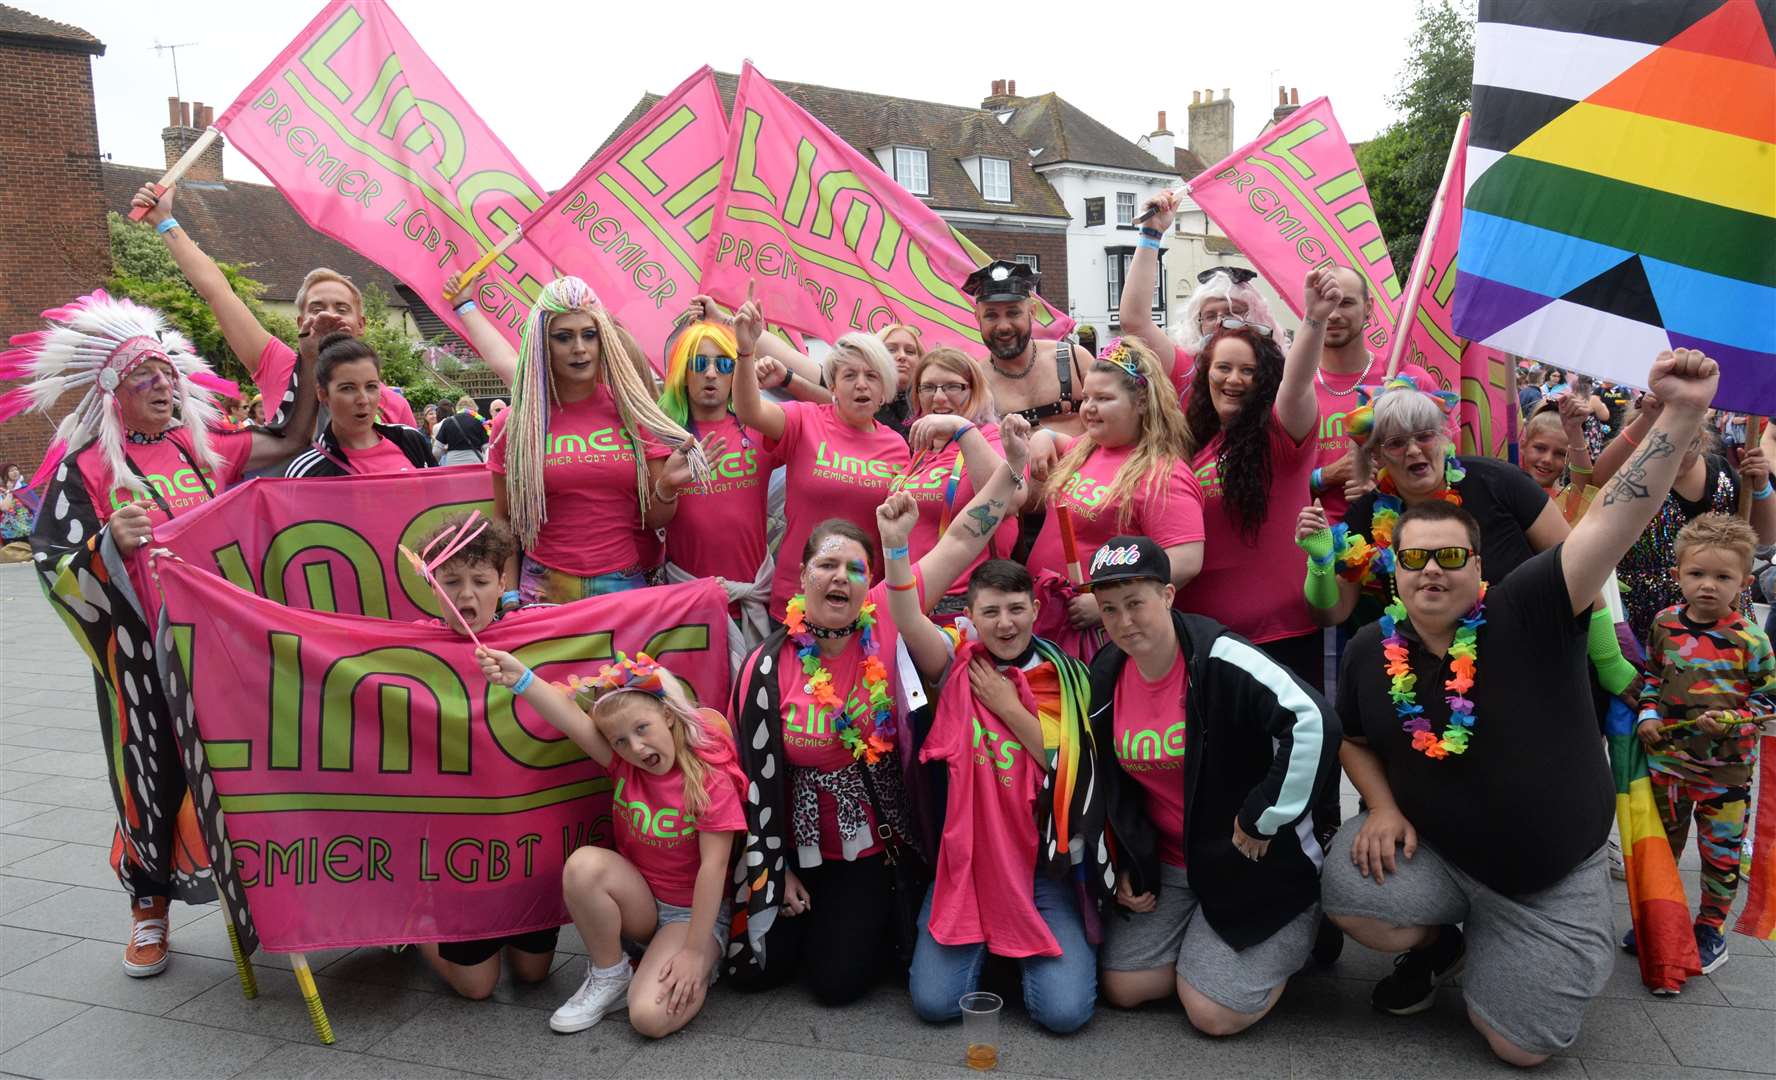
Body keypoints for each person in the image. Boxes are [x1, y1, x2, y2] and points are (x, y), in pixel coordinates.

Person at [1321, 347, 1722, 1066]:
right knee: (1351, 894)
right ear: (1394, 573)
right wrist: (1380, 806)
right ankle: (1451, 931)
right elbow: (1351, 737)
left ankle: (1543, 929)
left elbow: (1611, 521)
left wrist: (1682, 413)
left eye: (1451, 558)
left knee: (1521, 1046)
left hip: (1549, 864)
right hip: (1446, 856)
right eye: (1413, 562)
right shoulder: (1369, 652)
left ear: (1481, 566)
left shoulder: (1529, 607)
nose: (1432, 573)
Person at [9, 291, 317, 976]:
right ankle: (149, 908)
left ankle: (268, 898)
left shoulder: (201, 447)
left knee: (243, 773)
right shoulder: (84, 466)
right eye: (145, 378)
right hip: (143, 655)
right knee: (155, 775)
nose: (163, 387)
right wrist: (105, 544)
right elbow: (52, 561)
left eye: (167, 375)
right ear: (112, 390)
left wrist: (313, 349)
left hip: (221, 647)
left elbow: (292, 439)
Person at [722, 417, 1031, 1003]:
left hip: (870, 844)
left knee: (836, 986)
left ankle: (874, 913)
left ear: (871, 582)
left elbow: (966, 535)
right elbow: (751, 782)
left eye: (856, 568)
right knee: (759, 972)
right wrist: (775, 865)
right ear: (803, 577)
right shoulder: (765, 665)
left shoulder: (891, 615)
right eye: (828, 566)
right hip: (791, 843)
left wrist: (1011, 470)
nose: (841, 577)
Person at [1089, 535, 1340, 1036]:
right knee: (1124, 986)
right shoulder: (1106, 670)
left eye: (1136, 603)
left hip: (1252, 859)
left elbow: (1313, 721)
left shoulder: (1220, 656)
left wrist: (1264, 814)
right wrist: (1123, 863)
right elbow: (1109, 784)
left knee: (1213, 1014)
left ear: (1167, 595)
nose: (1124, 622)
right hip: (1175, 861)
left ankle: (1308, 926)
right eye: (1109, 609)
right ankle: (1204, 946)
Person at [886, 553, 1112, 1034]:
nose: (1004, 623)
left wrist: (1008, 708)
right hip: (967, 864)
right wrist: (896, 546)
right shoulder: (953, 668)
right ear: (970, 617)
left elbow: (1070, 767)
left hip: (1041, 870)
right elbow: (904, 615)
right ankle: (995, 942)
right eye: (990, 612)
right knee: (935, 1004)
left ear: (1034, 608)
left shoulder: (1070, 677)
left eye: (1015, 609)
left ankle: (1008, 945)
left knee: (1065, 1014)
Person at [476, 649, 749, 1038]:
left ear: (667, 716)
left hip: (690, 916)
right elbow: (569, 719)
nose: (635, 748)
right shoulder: (623, 766)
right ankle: (610, 974)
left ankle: (701, 962)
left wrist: (692, 951)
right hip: (639, 902)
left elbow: (714, 868)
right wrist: (520, 677)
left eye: (642, 729)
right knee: (584, 864)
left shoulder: (709, 779)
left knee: (649, 1018)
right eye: (620, 740)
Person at [381, 516, 558, 998]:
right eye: (451, 581)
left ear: (503, 582)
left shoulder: (535, 636)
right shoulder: (407, 648)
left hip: (525, 846)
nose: (467, 596)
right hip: (456, 848)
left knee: (533, 974)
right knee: (478, 986)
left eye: (480, 582)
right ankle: (418, 919)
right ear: (430, 584)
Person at [454, 276, 713, 603]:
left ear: (602, 339)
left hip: (622, 584)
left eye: (588, 335)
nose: (579, 348)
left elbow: (655, 519)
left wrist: (666, 489)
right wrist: (509, 596)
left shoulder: (633, 412)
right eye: (564, 337)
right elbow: (505, 520)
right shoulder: (516, 423)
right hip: (543, 588)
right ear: (542, 344)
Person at [1306, 374, 1569, 632]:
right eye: (1396, 443)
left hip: (1527, 644)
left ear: (1442, 436)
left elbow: (1572, 562)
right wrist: (1320, 563)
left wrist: (1608, 662)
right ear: (1377, 454)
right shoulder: (1366, 515)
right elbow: (1332, 613)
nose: (1413, 450)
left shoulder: (1499, 480)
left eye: (1423, 436)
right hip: (1429, 667)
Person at [1630, 513, 1774, 978]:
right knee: (1663, 848)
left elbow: (1768, 701)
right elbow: (1652, 676)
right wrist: (1648, 713)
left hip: (1725, 774)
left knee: (1721, 855)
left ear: (1744, 582)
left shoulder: (1751, 639)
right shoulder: (1664, 624)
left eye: (1722, 577)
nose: (1708, 586)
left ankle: (1710, 928)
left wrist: (1732, 720)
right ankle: (1662, 919)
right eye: (1697, 574)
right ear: (1677, 575)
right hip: (1667, 766)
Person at [1171, 270, 1325, 687]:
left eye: (1248, 371)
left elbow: (1297, 383)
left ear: (1265, 380)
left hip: (1279, 640)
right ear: (1206, 373)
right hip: (1205, 640)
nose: (1233, 380)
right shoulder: (1195, 442)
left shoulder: (1280, 437)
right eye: (1223, 368)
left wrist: (1314, 320)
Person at [728, 282, 910, 622]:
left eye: (872, 376)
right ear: (833, 383)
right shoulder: (804, 420)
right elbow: (749, 412)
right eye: (849, 375)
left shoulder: (898, 446)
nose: (860, 385)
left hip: (864, 601)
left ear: (884, 390)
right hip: (797, 599)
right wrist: (745, 350)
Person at [132, 182, 360, 432]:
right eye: (317, 308)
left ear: (361, 323)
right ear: (300, 322)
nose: (328, 315)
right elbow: (218, 293)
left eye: (341, 308)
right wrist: (164, 220)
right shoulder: (279, 365)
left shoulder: (387, 400)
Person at [1035, 338, 1204, 628]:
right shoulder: (1088, 447)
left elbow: (1186, 561)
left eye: (1103, 399)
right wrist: (1043, 437)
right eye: (1086, 397)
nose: (1088, 408)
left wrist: (1109, 603)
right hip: (1049, 619)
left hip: (1098, 632)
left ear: (1140, 401)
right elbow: (1058, 441)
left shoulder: (1163, 474)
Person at [1595, 395, 1776, 644]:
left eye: (1687, 444)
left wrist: (1762, 487)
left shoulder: (1722, 470)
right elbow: (1598, 478)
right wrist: (1647, 419)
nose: (1676, 455)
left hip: (1724, 618)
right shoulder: (1630, 478)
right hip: (1649, 621)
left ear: (1701, 439)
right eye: (1663, 446)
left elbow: (1766, 536)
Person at [656, 318, 778, 660]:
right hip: (689, 603)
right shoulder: (659, 435)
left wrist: (782, 377)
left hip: (756, 600)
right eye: (699, 363)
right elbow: (650, 519)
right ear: (682, 371)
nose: (711, 373)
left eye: (723, 364)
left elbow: (829, 408)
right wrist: (667, 485)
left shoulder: (759, 427)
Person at [897, 347, 1025, 618]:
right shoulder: (922, 449)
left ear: (974, 390)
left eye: (953, 386)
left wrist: (961, 428)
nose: (939, 397)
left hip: (964, 604)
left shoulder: (990, 437)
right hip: (913, 598)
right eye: (928, 387)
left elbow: (1010, 501)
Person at [965, 260, 1088, 436]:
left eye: (1013, 313)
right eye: (991, 316)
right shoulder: (974, 380)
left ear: (1032, 312)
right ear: (978, 318)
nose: (1003, 326)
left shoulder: (1074, 359)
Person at [284, 335, 436, 477]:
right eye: (348, 388)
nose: (363, 400)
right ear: (323, 394)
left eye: (371, 386)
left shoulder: (410, 439)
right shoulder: (307, 471)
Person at [1519, 396, 1597, 520]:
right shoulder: (1502, 489)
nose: (1547, 459)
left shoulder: (1566, 503)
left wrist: (1575, 430)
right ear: (1523, 446)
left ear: (1569, 458)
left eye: (1560, 453)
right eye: (1540, 448)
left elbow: (1585, 491)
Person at [875, 323, 925, 437]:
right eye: (891, 350)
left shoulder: (933, 406)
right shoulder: (859, 404)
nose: (902, 356)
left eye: (910, 352)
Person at [432, 395, 490, 466]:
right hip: (474, 463)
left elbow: (436, 452)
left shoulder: (448, 422)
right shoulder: (480, 421)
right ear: (475, 409)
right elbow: (487, 449)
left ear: (457, 409)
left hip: (452, 464)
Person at [0, 463, 34, 542]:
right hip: (11, 533)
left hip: (29, 529)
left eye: (16, 469)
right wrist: (10, 491)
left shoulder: (24, 488)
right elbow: (4, 508)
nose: (15, 472)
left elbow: (36, 507)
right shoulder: (1, 491)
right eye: (11, 471)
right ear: (4, 474)